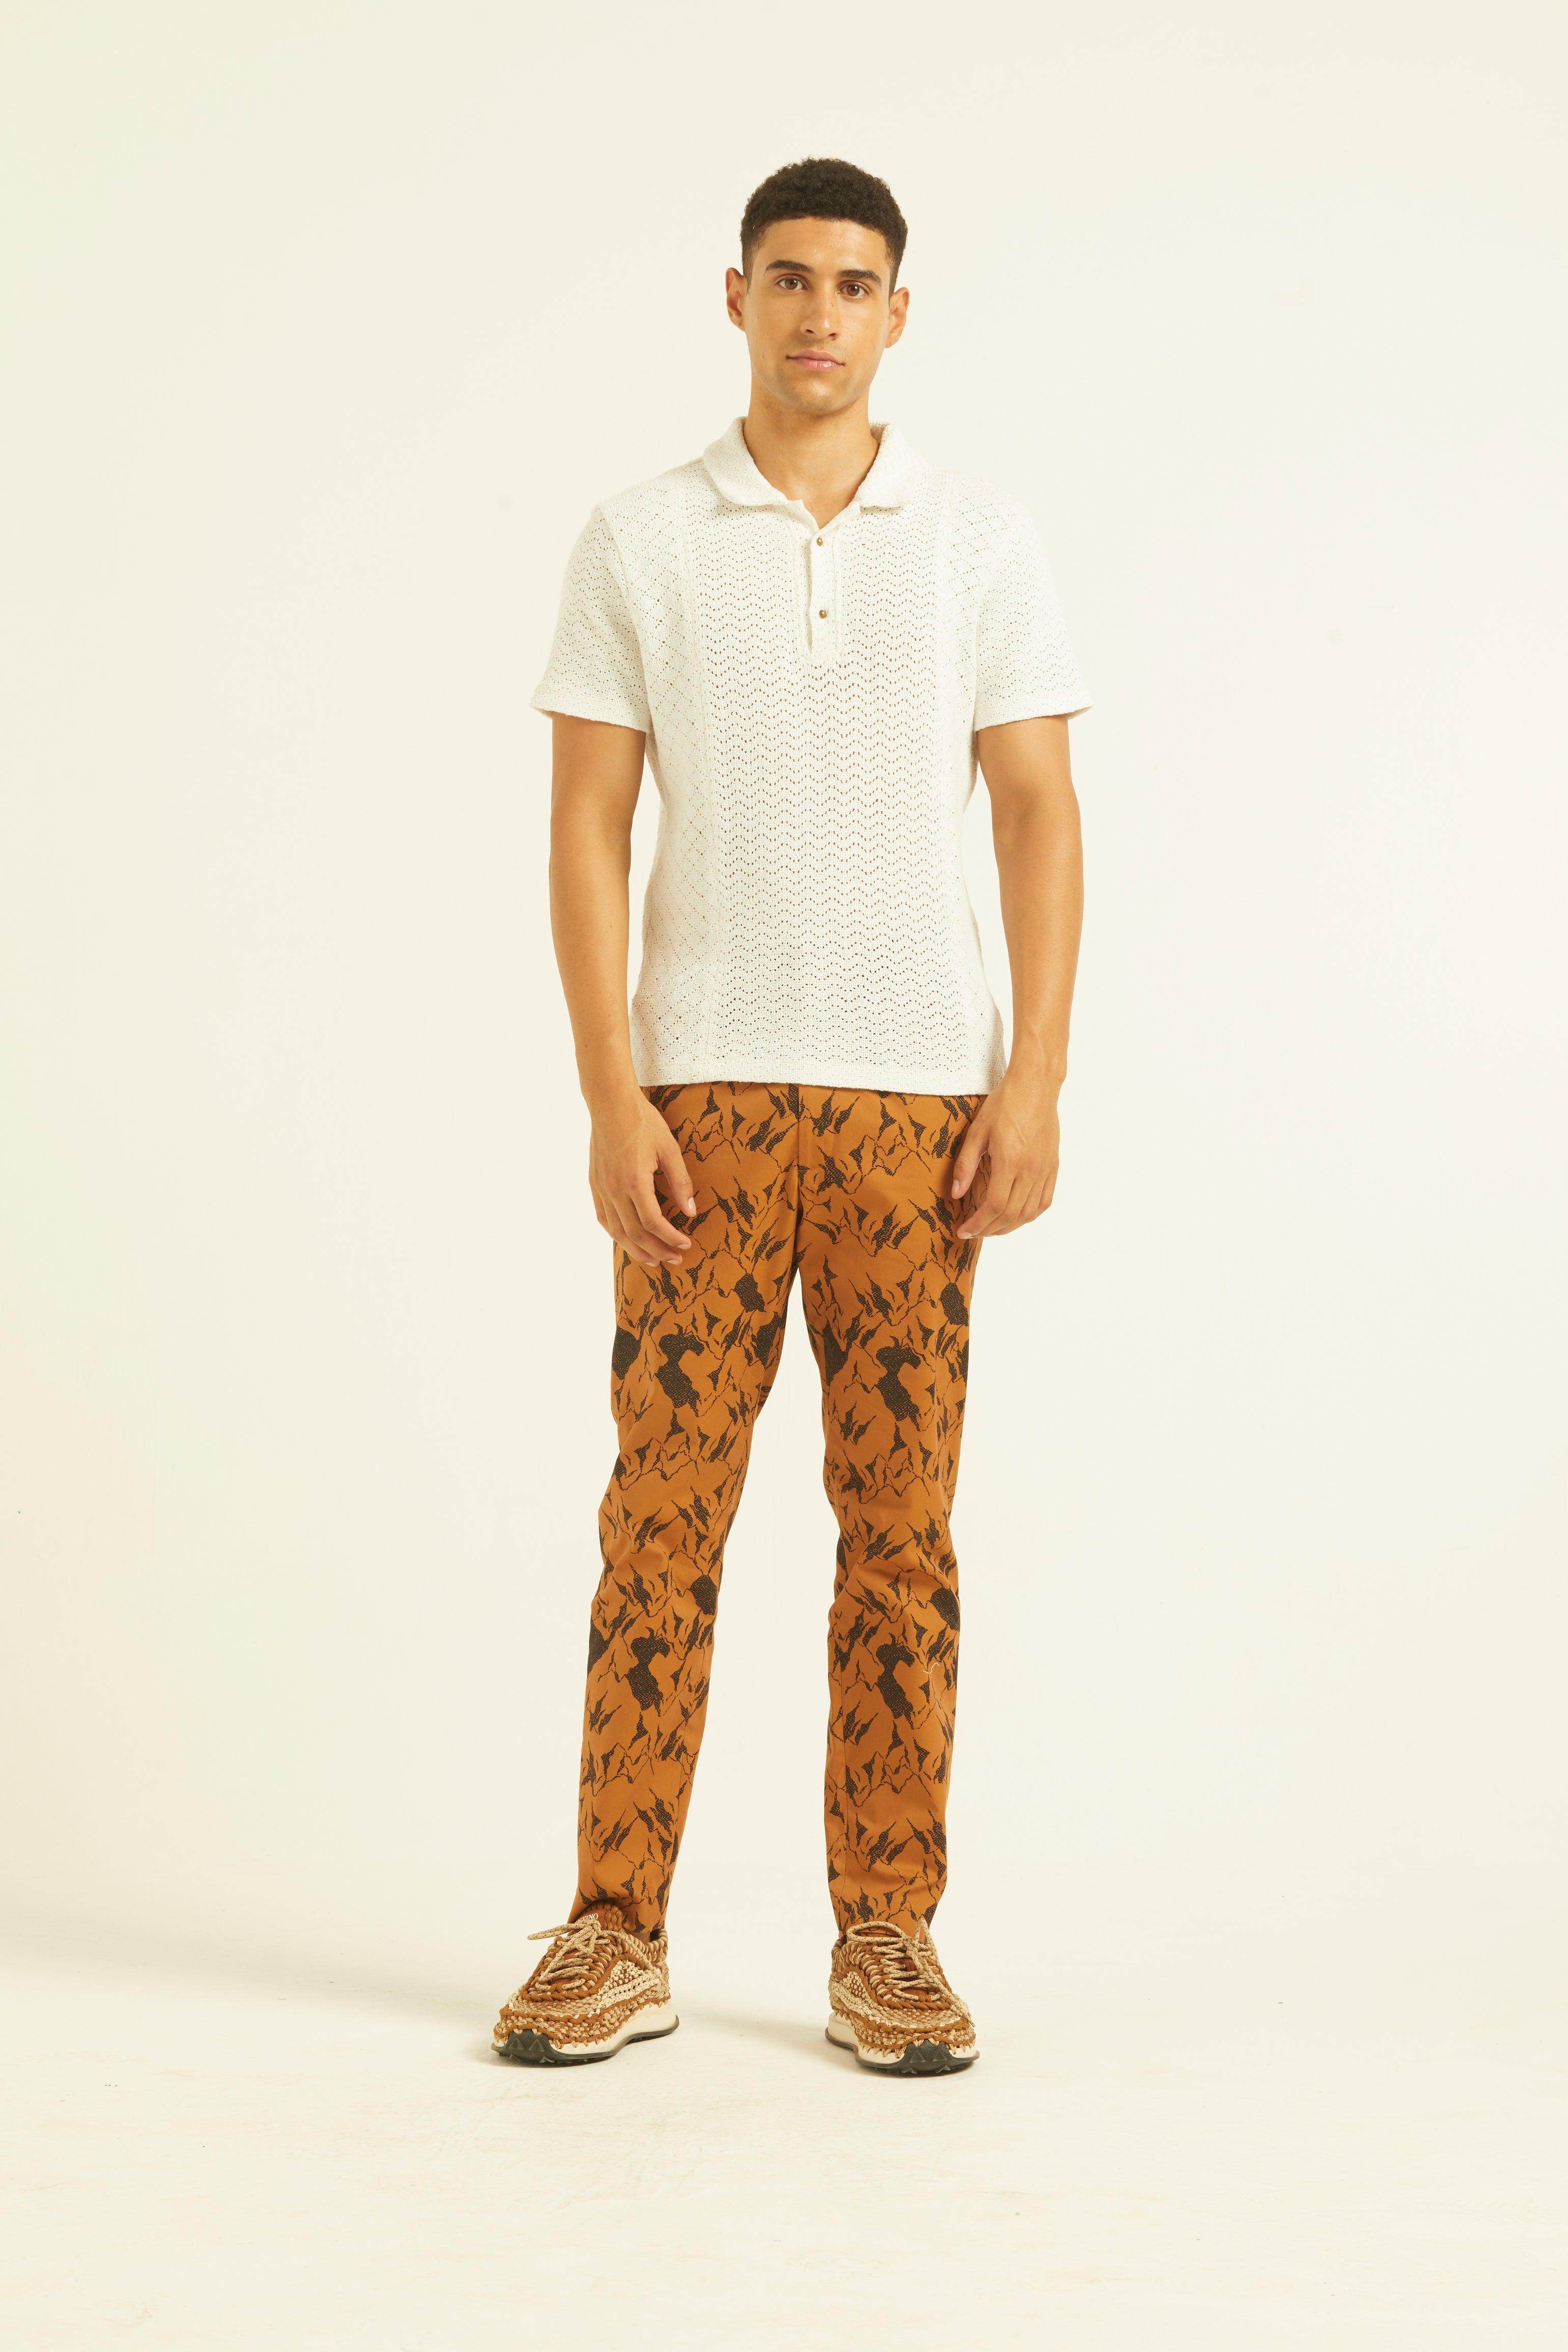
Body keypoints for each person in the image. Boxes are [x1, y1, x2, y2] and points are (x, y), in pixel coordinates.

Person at [492, 156, 1090, 2076]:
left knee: (900, 1530)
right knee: (659, 1520)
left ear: (898, 312)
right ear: (735, 296)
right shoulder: (640, 538)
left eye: (852, 283)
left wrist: (1035, 1074)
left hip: (922, 1113)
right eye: (788, 278)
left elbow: (1038, 810)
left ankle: (888, 1933)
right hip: (705, 1109)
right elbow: (589, 825)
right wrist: (612, 1090)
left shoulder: (976, 538)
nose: (819, 311)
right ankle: (614, 1928)